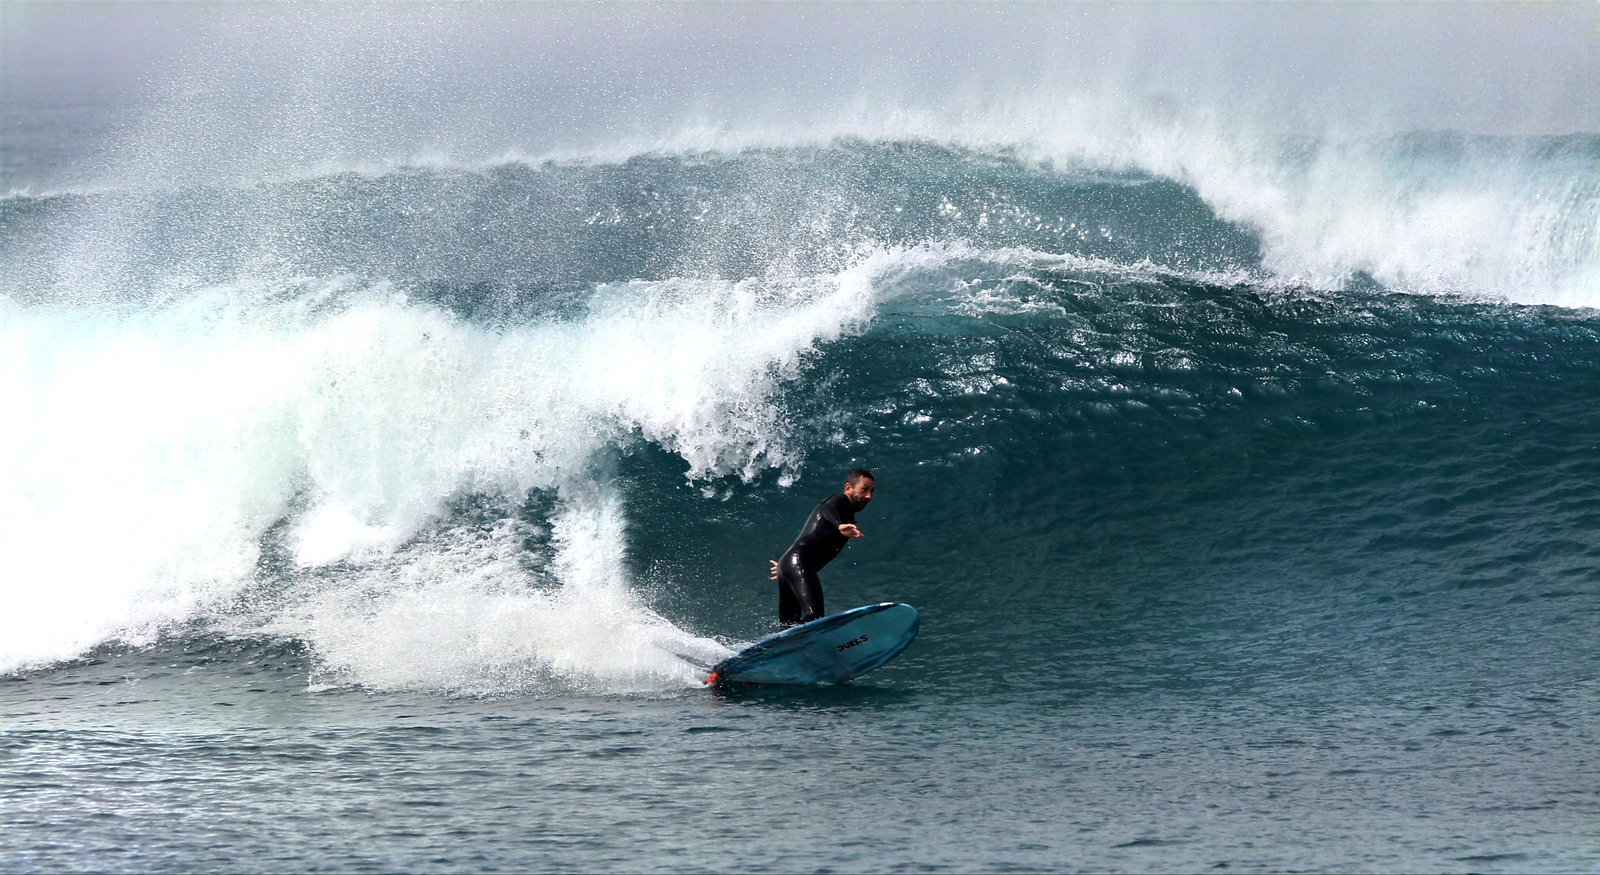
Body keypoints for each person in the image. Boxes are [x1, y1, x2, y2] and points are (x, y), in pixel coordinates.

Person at [768, 468, 876, 626]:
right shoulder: (840, 501)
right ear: (848, 488)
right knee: (815, 617)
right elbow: (826, 508)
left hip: (790, 564)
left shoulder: (847, 515)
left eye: (872, 491)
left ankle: (778, 650)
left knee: (789, 627)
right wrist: (839, 526)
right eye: (864, 490)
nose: (869, 496)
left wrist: (787, 567)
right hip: (798, 562)